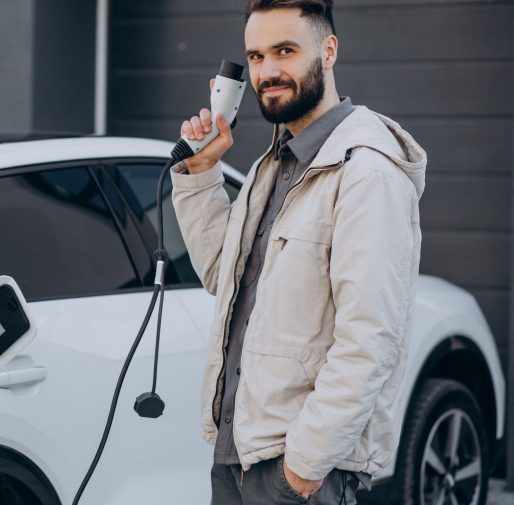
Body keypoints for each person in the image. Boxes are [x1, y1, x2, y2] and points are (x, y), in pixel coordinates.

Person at [170, 0, 426, 503]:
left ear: (328, 50)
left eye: (284, 51)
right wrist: (202, 175)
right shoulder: (274, 165)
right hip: (237, 454)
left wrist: (303, 467)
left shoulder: (366, 172)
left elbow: (370, 339)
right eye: (257, 56)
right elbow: (225, 278)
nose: (268, 71)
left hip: (296, 472)